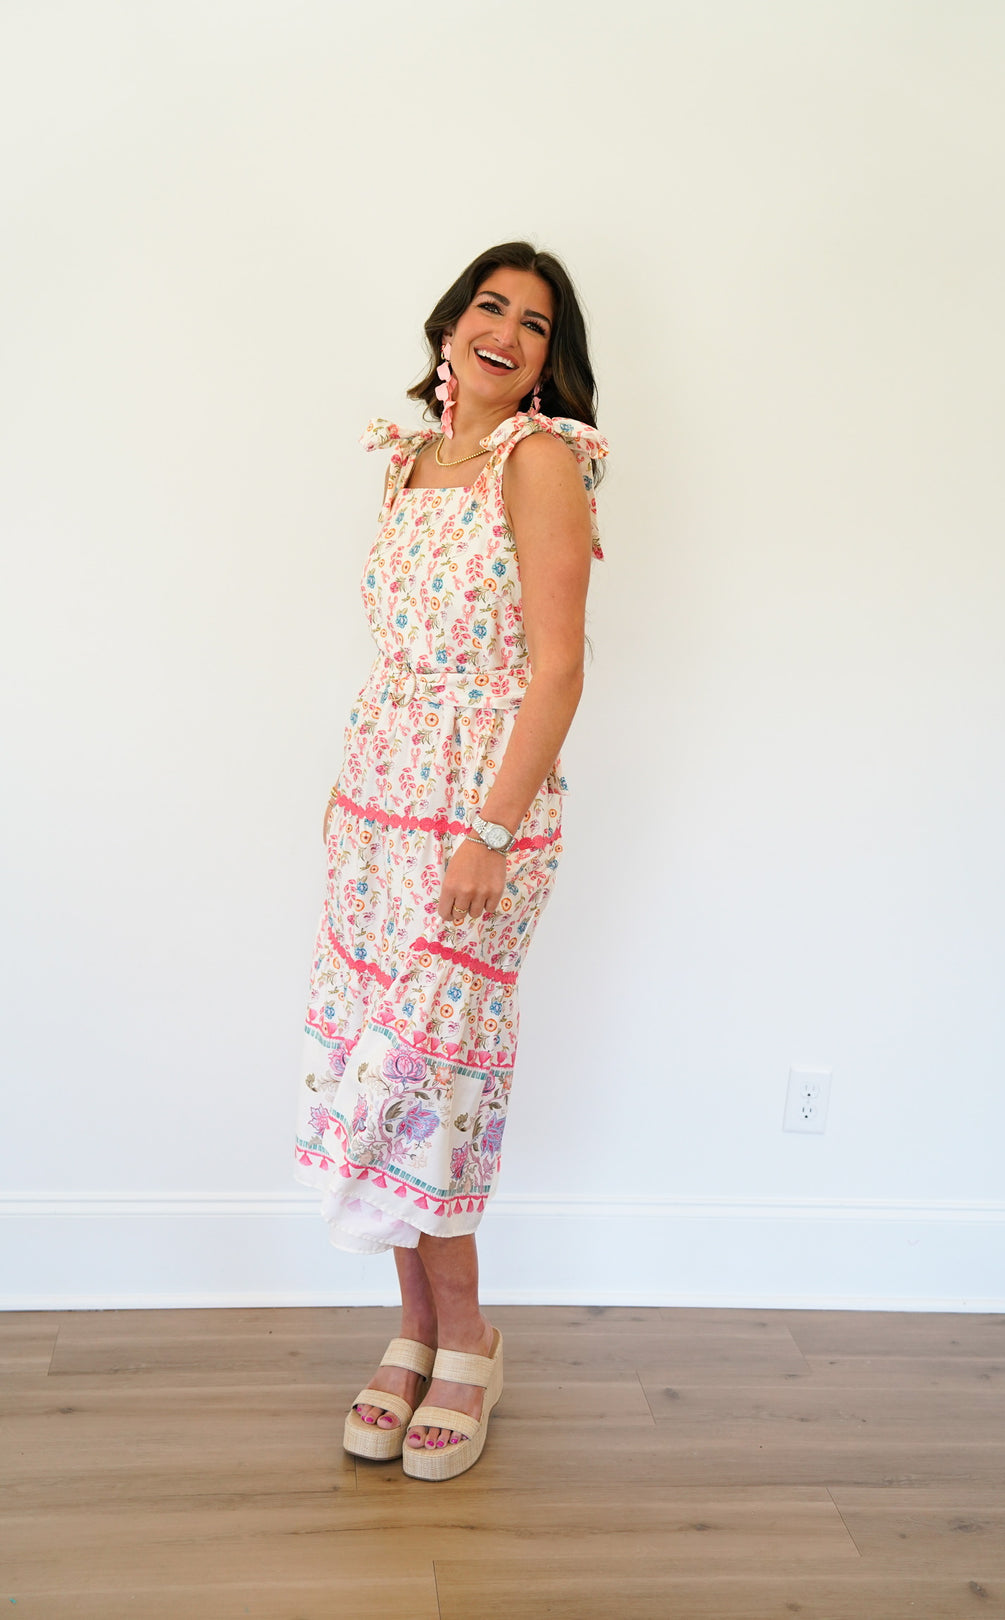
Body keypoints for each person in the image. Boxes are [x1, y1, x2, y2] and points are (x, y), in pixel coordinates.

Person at [294, 241, 607, 1481]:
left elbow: (559, 671)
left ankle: (469, 1337)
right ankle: (414, 1331)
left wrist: (492, 829)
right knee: (373, 1072)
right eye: (492, 306)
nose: (508, 333)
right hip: (376, 808)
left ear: (547, 361)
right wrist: (348, 794)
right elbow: (399, 655)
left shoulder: (541, 462)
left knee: (431, 1075)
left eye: (536, 324)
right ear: (449, 326)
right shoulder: (411, 459)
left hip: (479, 814)